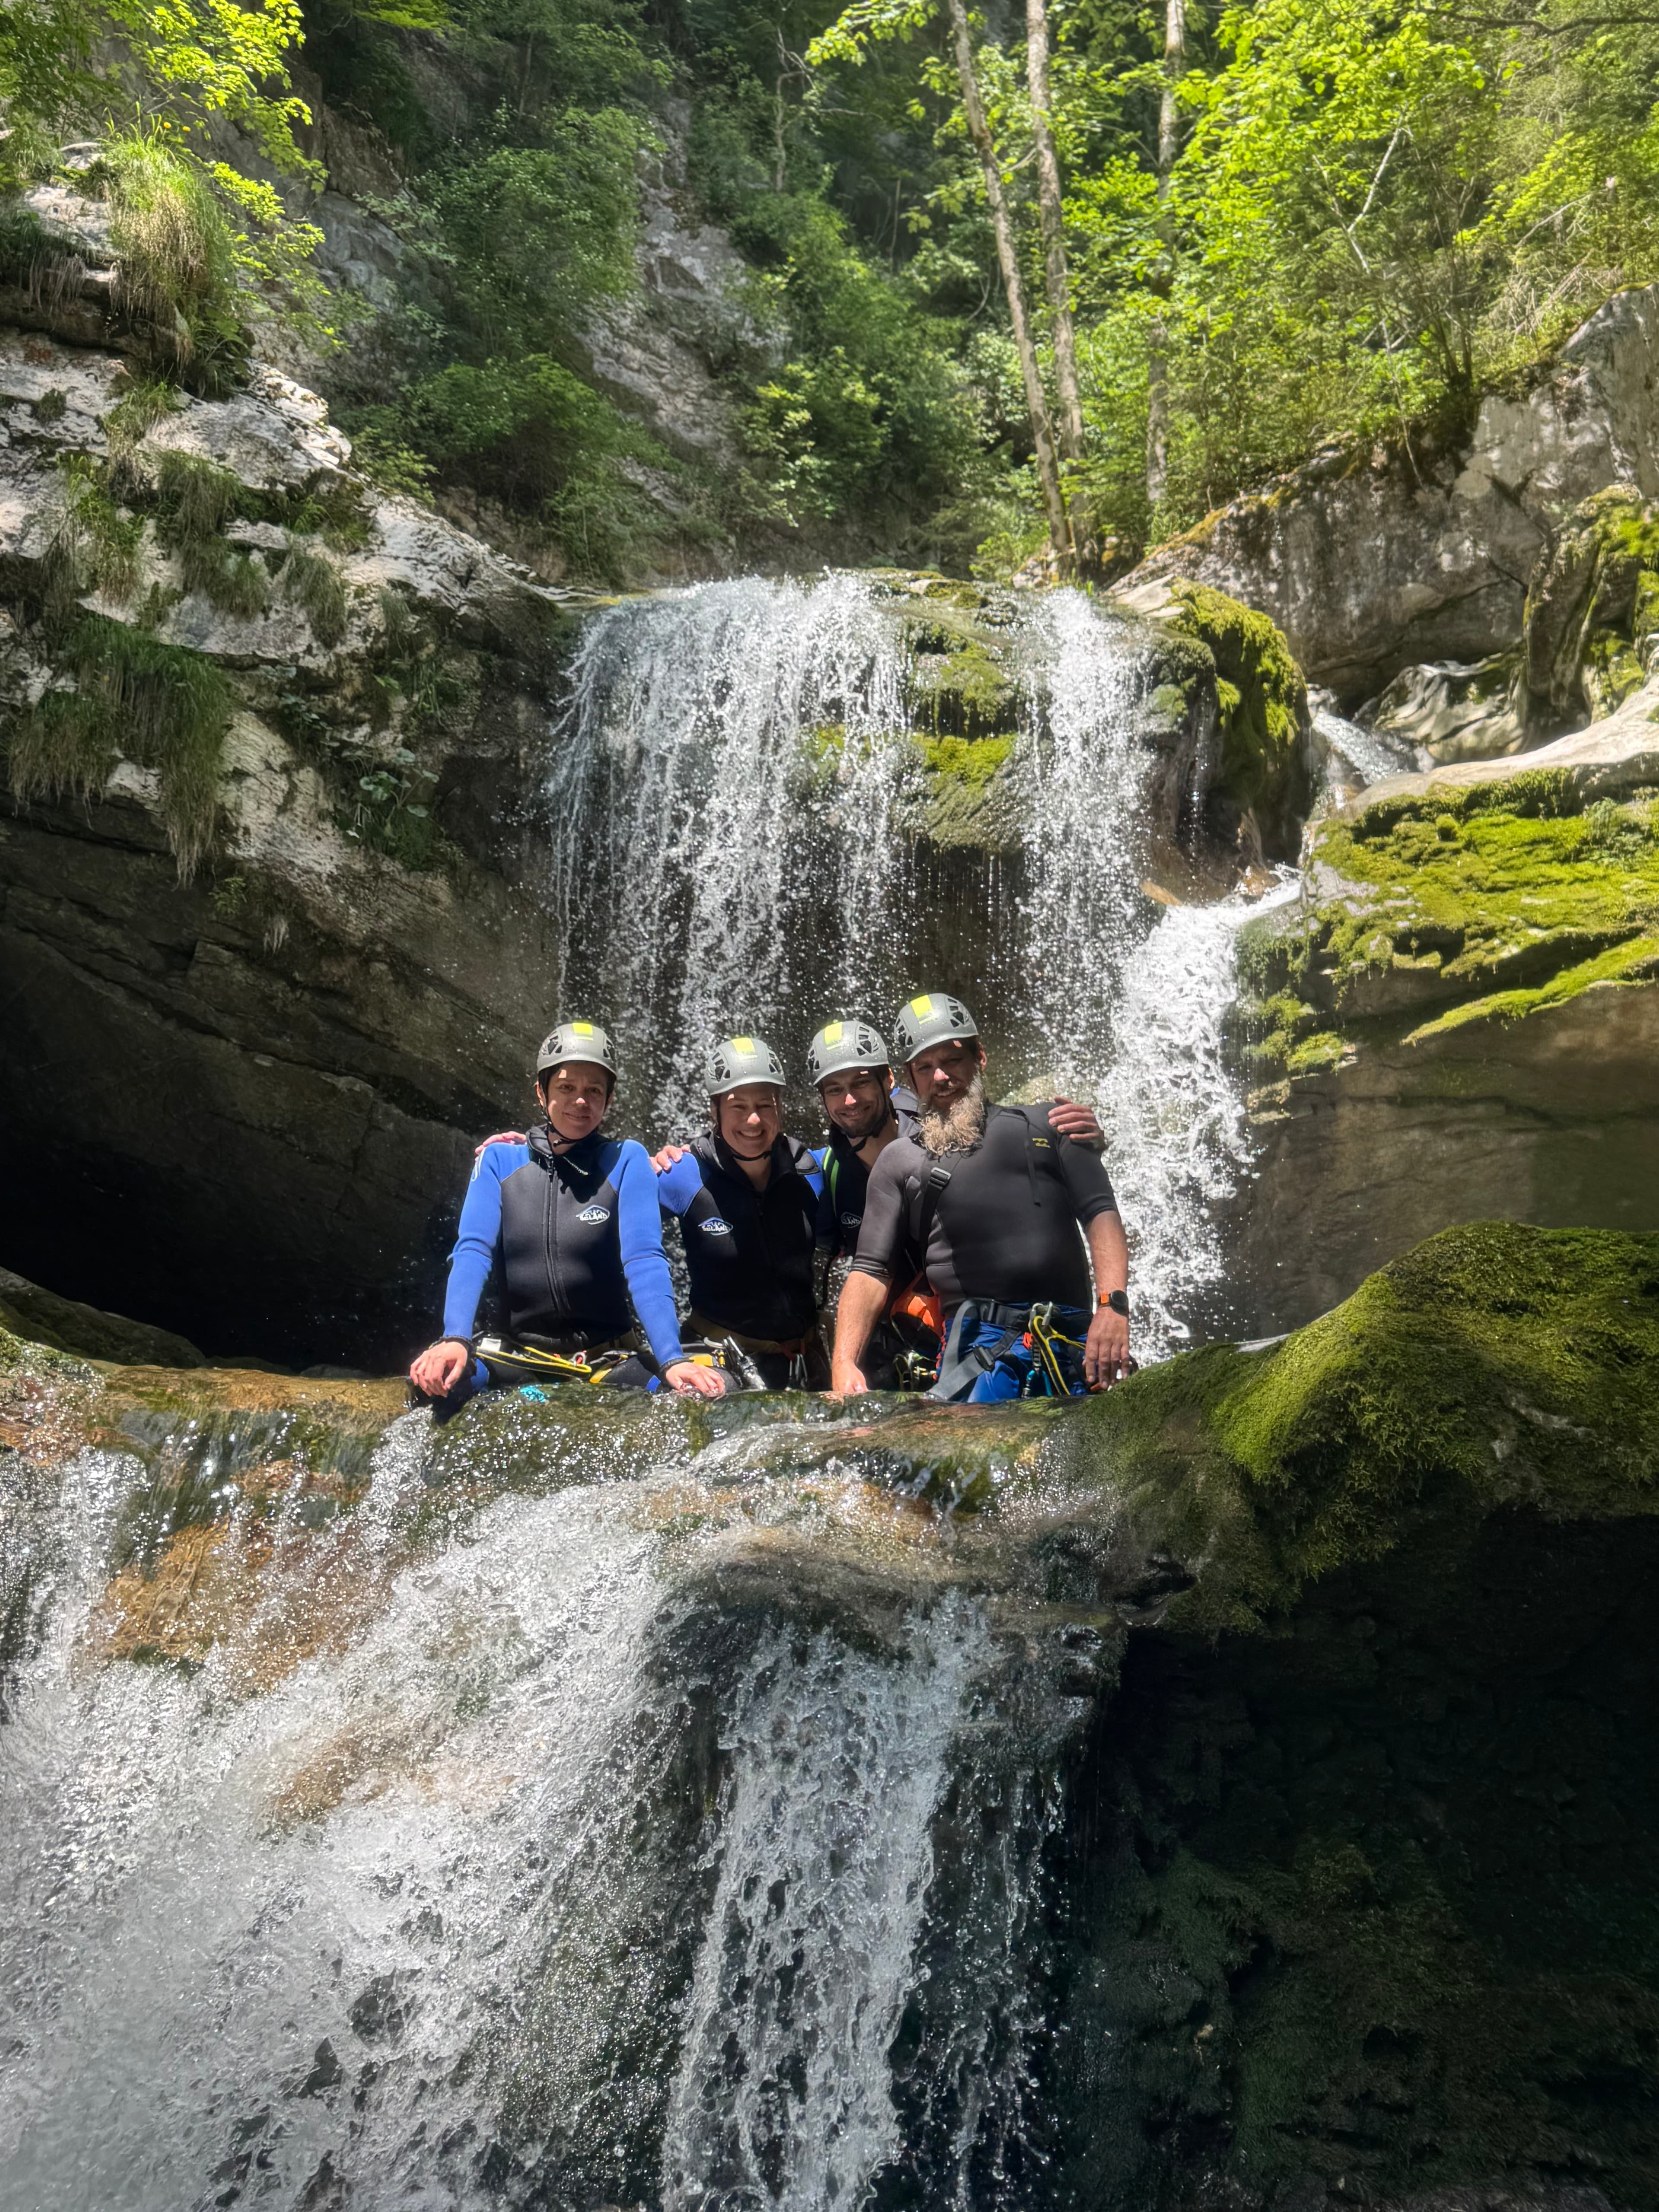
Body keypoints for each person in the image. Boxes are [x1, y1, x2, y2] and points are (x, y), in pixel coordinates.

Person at [830, 992, 1131, 1401]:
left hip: (1074, 1337)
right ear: (910, 1076)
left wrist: (1112, 1306)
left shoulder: (1049, 1124)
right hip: (976, 1346)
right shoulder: (899, 1161)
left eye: (952, 1060)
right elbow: (870, 1271)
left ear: (980, 1058)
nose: (940, 1077)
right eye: (925, 1066)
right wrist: (844, 1362)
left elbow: (1100, 1212)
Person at [409, 1021, 725, 1409]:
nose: (581, 1100)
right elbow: (473, 1250)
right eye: (567, 1087)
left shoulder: (626, 1160)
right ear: (541, 1094)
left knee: (703, 1396)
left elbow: (644, 1260)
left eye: (595, 1091)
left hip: (607, 1361)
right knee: (433, 1385)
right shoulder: (498, 1159)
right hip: (517, 1357)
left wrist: (672, 1358)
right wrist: (455, 1337)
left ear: (609, 1101)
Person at [655, 1034, 830, 1390]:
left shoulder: (810, 1168)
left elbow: (874, 1152)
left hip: (804, 1359)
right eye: (738, 1107)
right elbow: (599, 1199)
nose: (753, 1120)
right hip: (721, 1360)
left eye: (766, 1105)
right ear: (714, 1110)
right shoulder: (681, 1174)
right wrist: (529, 1150)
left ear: (780, 1107)